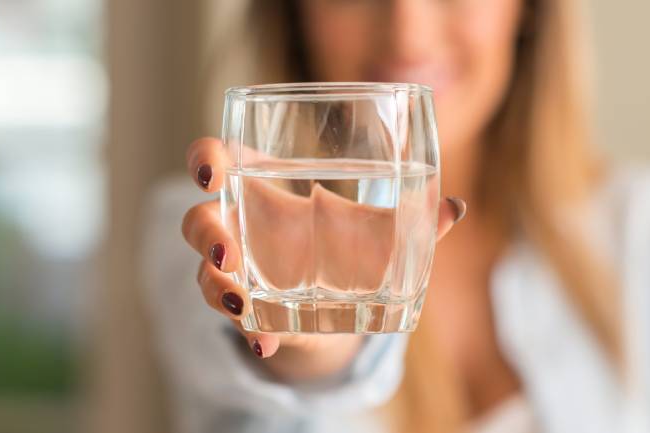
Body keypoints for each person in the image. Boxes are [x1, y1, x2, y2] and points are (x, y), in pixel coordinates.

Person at [141, 1, 650, 432]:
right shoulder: (213, 223)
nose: (408, 32)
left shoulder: (632, 225)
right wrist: (314, 341)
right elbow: (271, 395)